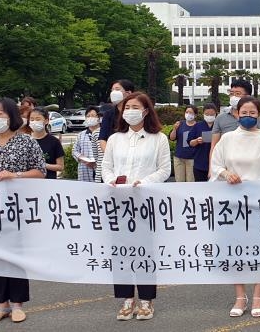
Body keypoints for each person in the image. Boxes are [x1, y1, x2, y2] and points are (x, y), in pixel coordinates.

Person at [0, 98, 46, 324]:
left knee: (15, 256)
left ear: (12, 116)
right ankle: (0, 304)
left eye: (0, 114)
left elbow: (40, 171)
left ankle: (17, 304)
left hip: (18, 209)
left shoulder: (26, 142)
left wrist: (17, 175)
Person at [210, 96, 260, 318]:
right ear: (236, 113)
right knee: (234, 250)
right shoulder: (228, 139)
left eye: (253, 113)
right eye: (244, 113)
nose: (248, 117)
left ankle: (259, 294)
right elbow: (216, 164)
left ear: (259, 115)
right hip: (232, 204)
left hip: (259, 204)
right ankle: (240, 296)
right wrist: (225, 173)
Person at [101, 92, 171, 321]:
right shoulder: (114, 139)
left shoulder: (158, 138)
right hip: (118, 202)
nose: (130, 110)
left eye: (135, 107)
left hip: (144, 202)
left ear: (146, 111)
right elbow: (106, 167)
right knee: (121, 251)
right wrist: (110, 180)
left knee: (144, 251)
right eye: (126, 106)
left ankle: (146, 300)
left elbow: (164, 170)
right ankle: (126, 299)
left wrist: (145, 182)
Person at [209, 79, 260, 160]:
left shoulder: (256, 117)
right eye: (231, 93)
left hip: (250, 162)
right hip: (226, 164)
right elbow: (214, 146)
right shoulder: (220, 118)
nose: (233, 97)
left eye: (238, 94)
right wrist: (211, 170)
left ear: (248, 96)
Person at [99, 79, 135, 153]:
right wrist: (110, 156)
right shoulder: (108, 114)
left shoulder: (136, 113)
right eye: (112, 90)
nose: (113, 92)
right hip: (114, 155)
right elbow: (102, 139)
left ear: (128, 93)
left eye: (117, 89)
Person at [29, 108, 65, 180]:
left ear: (46, 121)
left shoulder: (54, 141)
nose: (34, 122)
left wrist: (43, 165)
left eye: (38, 119)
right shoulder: (25, 140)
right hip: (28, 182)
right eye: (32, 119)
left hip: (48, 183)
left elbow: (60, 167)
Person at [72, 106, 103, 183]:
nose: (90, 118)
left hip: (100, 169)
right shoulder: (81, 135)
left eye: (93, 116)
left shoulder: (104, 134)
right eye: (88, 116)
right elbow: (74, 151)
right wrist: (84, 160)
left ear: (99, 118)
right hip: (84, 169)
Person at [188, 103, 217, 182]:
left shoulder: (218, 125)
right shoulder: (197, 126)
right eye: (207, 114)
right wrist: (197, 141)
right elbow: (190, 142)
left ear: (216, 114)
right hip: (200, 163)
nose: (209, 116)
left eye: (212, 114)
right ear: (203, 114)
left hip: (216, 163)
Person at [169, 105, 198, 182]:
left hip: (192, 159)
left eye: (191, 112)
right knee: (179, 181)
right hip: (179, 158)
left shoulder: (198, 126)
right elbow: (172, 138)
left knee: (191, 181)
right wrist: (174, 129)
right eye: (187, 112)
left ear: (195, 115)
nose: (188, 114)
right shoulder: (180, 124)